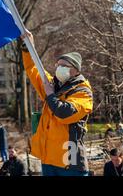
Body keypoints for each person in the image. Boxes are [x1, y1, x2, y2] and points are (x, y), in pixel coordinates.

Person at [21, 30, 93, 176]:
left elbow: (65, 114)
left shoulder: (83, 92)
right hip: (48, 159)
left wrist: (50, 95)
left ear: (75, 70)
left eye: (64, 66)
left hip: (69, 162)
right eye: (58, 65)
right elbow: (33, 70)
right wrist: (27, 47)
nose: (59, 69)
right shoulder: (53, 85)